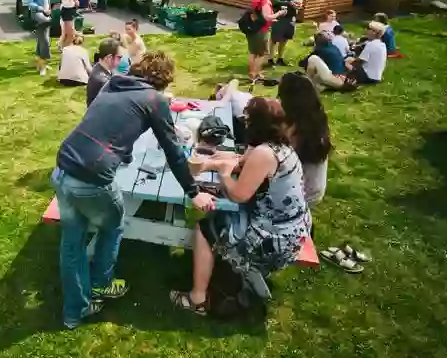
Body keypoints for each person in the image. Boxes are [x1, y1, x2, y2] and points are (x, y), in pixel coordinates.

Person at [54, 51, 216, 328]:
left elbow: (109, 126)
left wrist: (123, 155)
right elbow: (175, 153)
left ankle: (74, 312)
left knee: (73, 242)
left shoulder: (113, 83)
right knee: (114, 225)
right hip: (92, 177)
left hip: (63, 168)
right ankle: (101, 284)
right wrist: (194, 192)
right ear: (164, 80)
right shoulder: (153, 99)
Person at [170, 97, 309, 317]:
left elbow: (237, 195)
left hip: (275, 239)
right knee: (216, 208)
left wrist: (224, 174)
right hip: (293, 226)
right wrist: (211, 162)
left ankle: (197, 299)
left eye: (248, 120)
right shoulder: (280, 145)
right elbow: (243, 162)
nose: (245, 123)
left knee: (205, 226)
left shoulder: (264, 154)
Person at [278, 72, 332, 210]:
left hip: (301, 194)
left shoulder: (297, 133)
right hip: (314, 189)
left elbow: (276, 162)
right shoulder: (315, 118)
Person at [245, 0, 287, 81]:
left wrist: (272, 19)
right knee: (263, 53)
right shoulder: (265, 1)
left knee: (252, 52)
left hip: (252, 28)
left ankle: (252, 73)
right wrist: (279, 13)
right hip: (260, 30)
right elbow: (267, 17)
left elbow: (259, 15)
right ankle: (255, 74)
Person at [269, 0, 302, 67]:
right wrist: (289, 3)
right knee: (275, 38)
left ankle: (280, 58)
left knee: (285, 38)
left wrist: (300, 2)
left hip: (290, 17)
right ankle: (270, 59)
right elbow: (273, 1)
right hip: (279, 16)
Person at [26, 0, 52, 75]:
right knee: (45, 39)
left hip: (46, 13)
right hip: (37, 13)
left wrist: (49, 9)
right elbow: (29, 3)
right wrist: (42, 9)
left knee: (43, 37)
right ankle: (42, 64)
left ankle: (41, 62)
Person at [87, 37, 122, 105]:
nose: (121, 60)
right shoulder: (103, 81)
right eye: (119, 57)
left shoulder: (99, 67)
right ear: (109, 57)